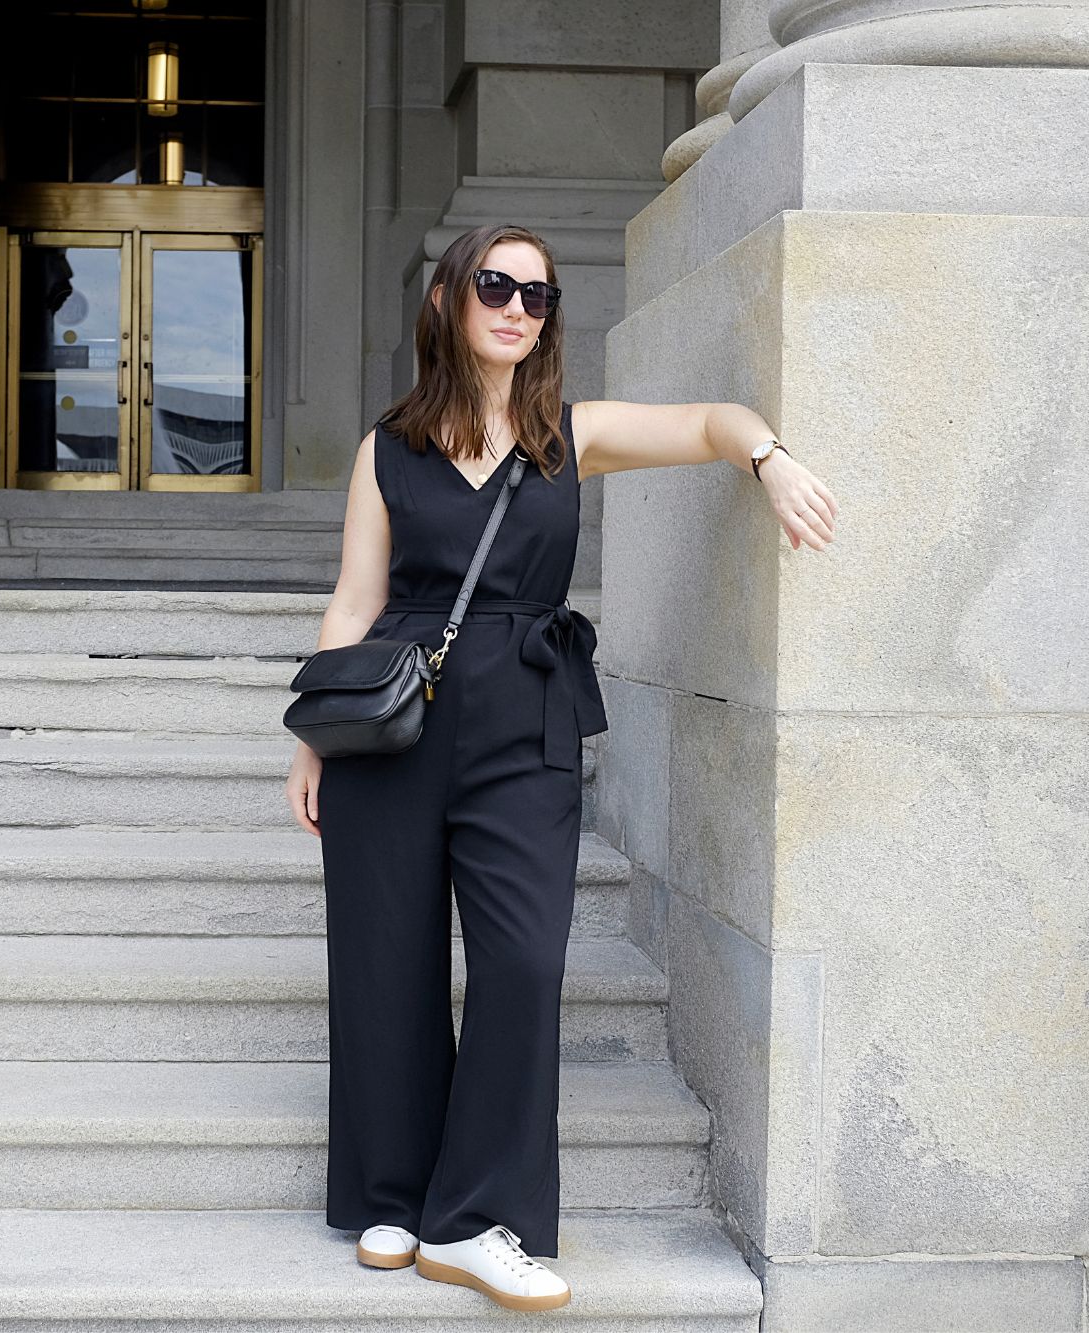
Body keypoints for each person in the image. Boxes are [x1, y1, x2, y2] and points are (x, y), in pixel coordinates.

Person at [282, 222, 838, 1313]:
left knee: (523, 963)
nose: (515, 308)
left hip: (525, 729)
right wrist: (309, 736)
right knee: (384, 961)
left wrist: (768, 457)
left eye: (536, 296)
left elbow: (708, 424)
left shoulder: (568, 435)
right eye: (494, 285)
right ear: (447, 301)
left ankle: (477, 1218)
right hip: (394, 730)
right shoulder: (386, 448)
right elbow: (355, 598)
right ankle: (396, 1194)